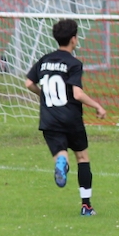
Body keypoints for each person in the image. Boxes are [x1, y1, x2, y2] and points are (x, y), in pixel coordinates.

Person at [25, 19, 106, 216]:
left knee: (61, 153)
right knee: (82, 157)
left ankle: (61, 162)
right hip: (71, 117)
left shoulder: (44, 60)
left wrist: (43, 95)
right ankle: (86, 206)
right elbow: (77, 94)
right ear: (73, 39)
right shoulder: (73, 63)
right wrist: (97, 105)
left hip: (49, 119)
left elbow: (28, 83)